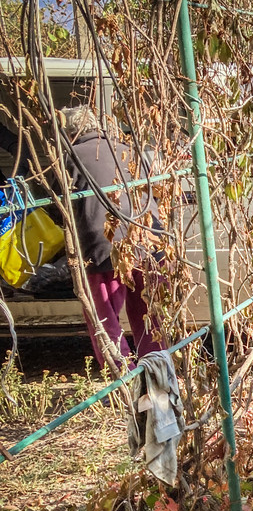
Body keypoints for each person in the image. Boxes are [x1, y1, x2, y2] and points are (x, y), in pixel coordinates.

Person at [60, 105, 165, 364]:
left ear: (70, 132)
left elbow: (57, 206)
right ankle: (158, 376)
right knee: (148, 315)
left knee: (104, 320)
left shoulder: (71, 157)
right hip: (149, 240)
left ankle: (124, 380)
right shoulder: (128, 149)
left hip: (104, 249)